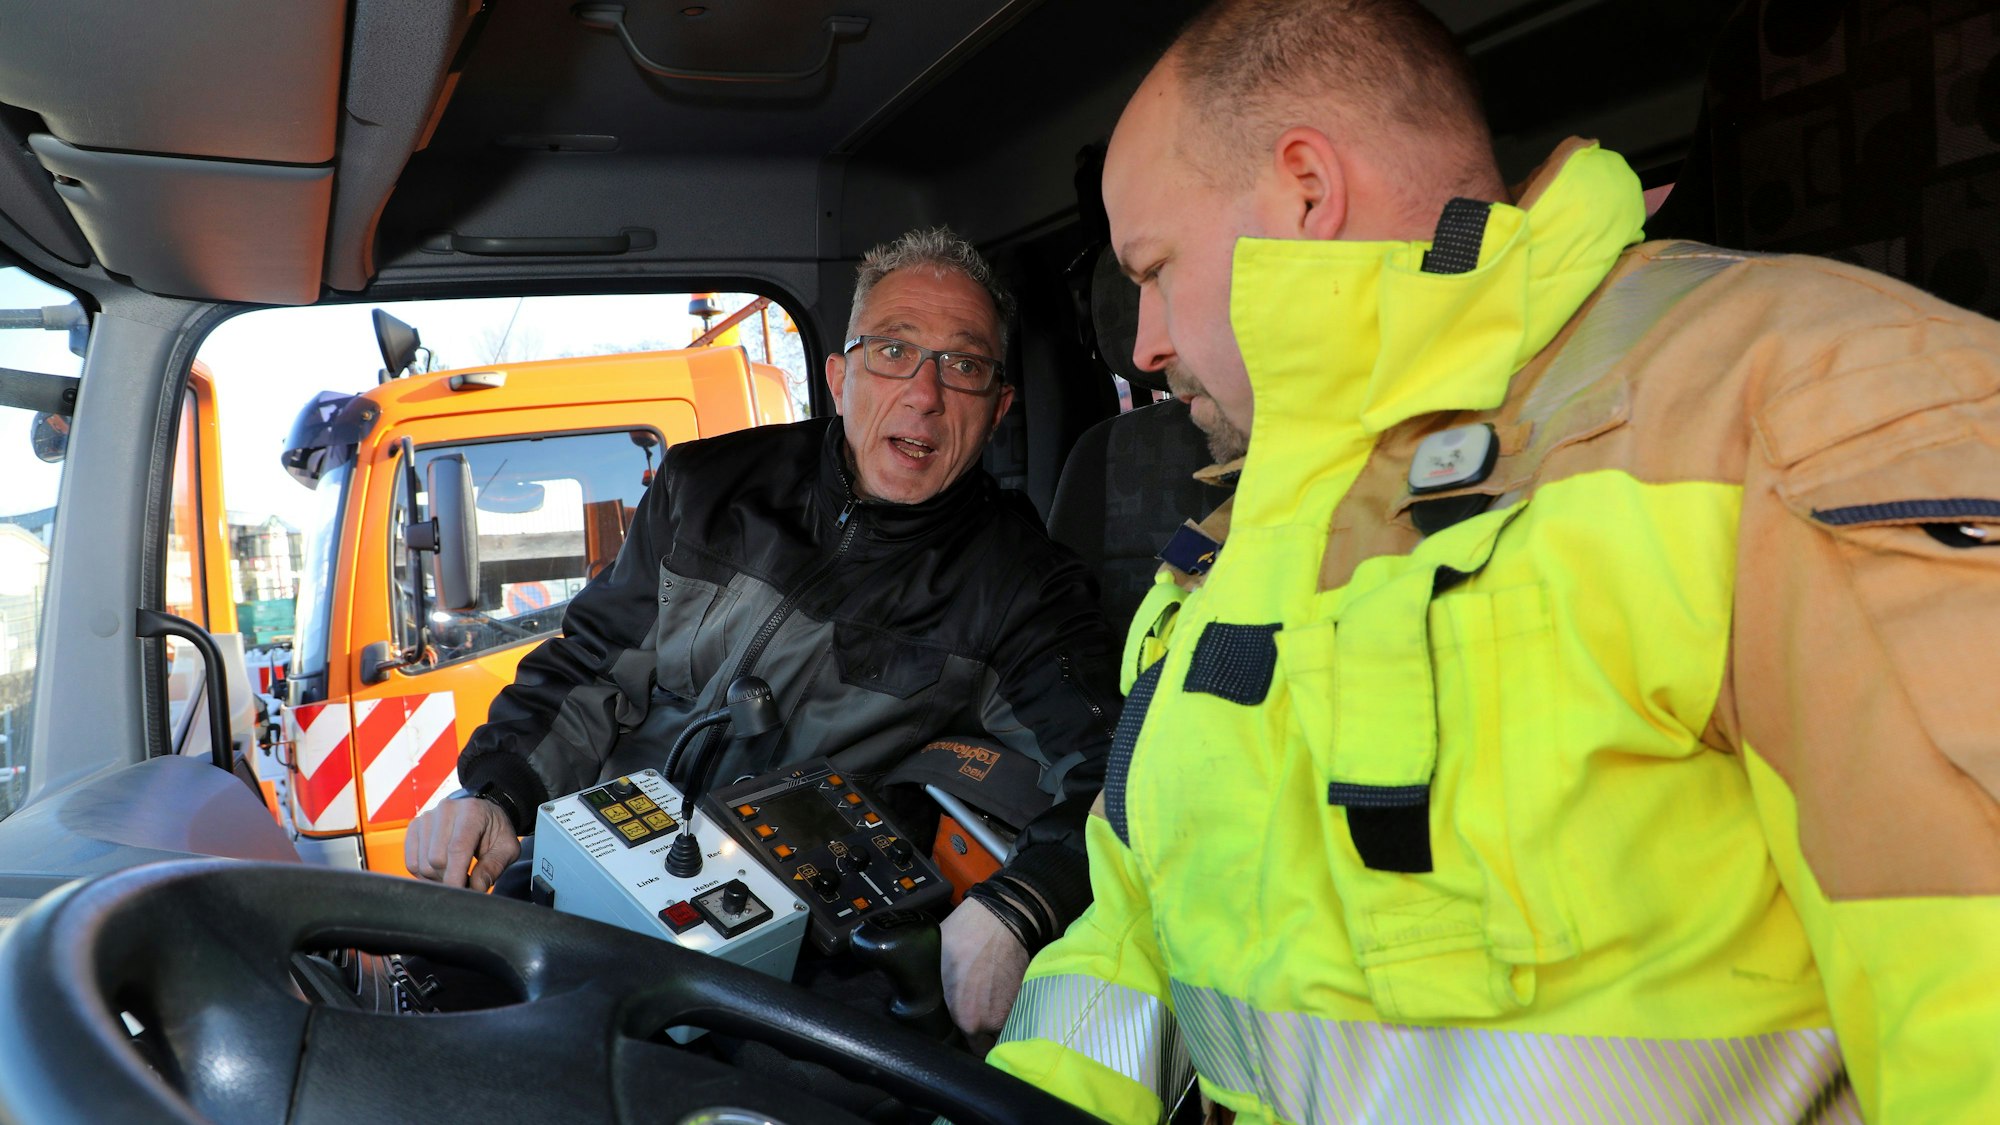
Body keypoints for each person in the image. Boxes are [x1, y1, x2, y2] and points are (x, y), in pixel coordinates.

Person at [986, 2, 2000, 1121]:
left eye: (1154, 268)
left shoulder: (1799, 402)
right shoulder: (1232, 538)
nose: (1143, 345)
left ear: (1304, 194)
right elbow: (1135, 927)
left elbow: (1965, 974)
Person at [406, 226, 1117, 1041]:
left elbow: (1113, 776)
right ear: (841, 376)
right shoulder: (705, 487)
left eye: (963, 365)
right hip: (604, 869)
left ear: (998, 408)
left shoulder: (1020, 585)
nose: (924, 394)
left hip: (802, 959)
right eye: (894, 351)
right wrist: (494, 794)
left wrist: (1019, 907)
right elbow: (591, 663)